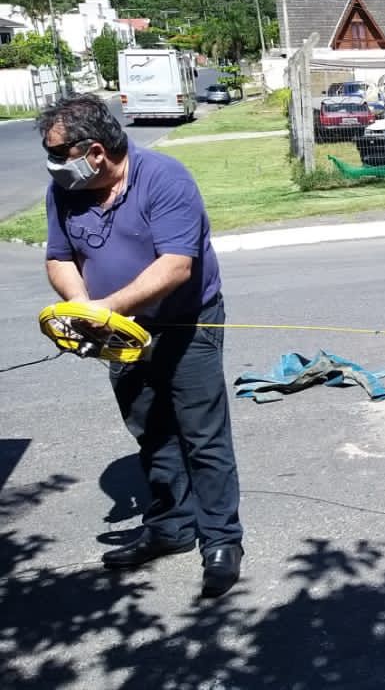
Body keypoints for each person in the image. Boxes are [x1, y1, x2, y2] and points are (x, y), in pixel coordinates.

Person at [38, 94, 244, 597]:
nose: (53, 167)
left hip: (185, 324)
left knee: (202, 435)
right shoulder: (66, 190)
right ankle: (170, 528)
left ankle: (221, 539)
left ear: (96, 152)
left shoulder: (165, 178)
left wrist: (108, 307)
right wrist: (84, 306)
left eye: (60, 155)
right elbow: (59, 257)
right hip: (115, 332)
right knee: (150, 430)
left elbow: (177, 265)